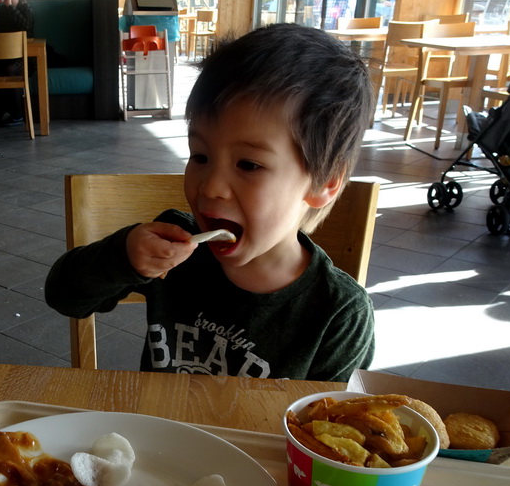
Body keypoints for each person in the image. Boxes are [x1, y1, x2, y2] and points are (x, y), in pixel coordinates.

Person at [44, 24, 376, 381]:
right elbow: (64, 296)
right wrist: (125, 256)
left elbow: (328, 428)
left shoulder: (339, 314)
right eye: (199, 156)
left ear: (325, 182)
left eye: (249, 164)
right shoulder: (174, 245)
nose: (211, 187)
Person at [0, 0, 34, 126]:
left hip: (24, 58)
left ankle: (17, 115)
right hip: (2, 56)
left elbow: (26, 27)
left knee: (9, 69)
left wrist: (10, 7)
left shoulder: (26, 9)